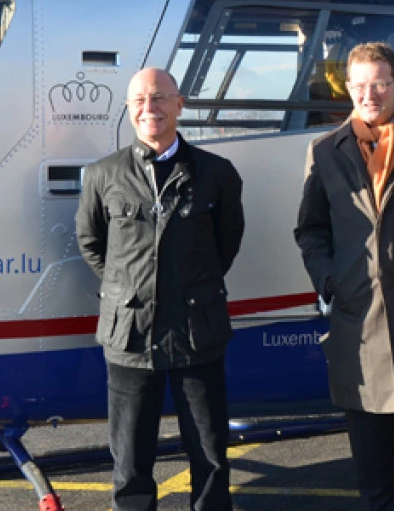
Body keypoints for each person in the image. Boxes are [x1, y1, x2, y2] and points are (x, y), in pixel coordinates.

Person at [295, 42, 394, 510]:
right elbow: (311, 229)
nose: (370, 94)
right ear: (348, 89)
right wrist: (329, 280)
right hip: (357, 323)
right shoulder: (325, 150)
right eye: (360, 85)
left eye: (380, 83)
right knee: (375, 474)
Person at [76, 67, 244, 511]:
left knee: (209, 452)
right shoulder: (102, 174)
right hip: (129, 333)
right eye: (139, 101)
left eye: (159, 98)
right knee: (130, 458)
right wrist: (131, 289)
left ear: (179, 104)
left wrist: (185, 285)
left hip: (196, 330)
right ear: (130, 109)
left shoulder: (216, 173)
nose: (149, 108)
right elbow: (91, 244)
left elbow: (227, 243)